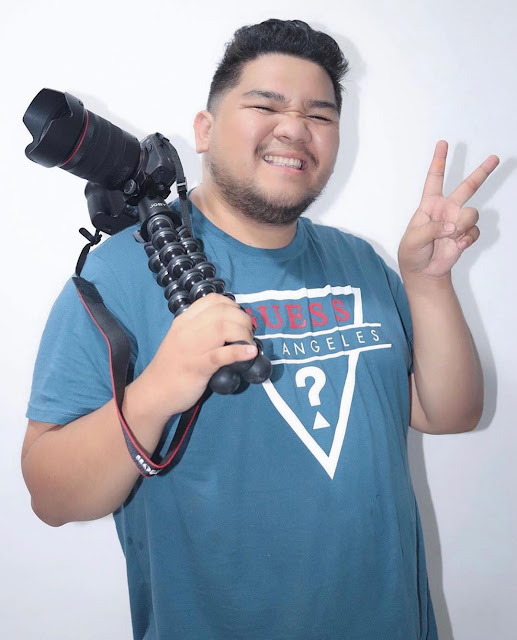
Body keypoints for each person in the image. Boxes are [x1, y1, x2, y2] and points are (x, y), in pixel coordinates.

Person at [22, 18, 499, 640]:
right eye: (265, 106)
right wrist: (160, 388)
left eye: (320, 115)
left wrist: (429, 283)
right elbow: (51, 496)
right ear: (204, 129)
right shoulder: (118, 273)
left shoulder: (361, 263)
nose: (295, 129)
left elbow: (449, 413)